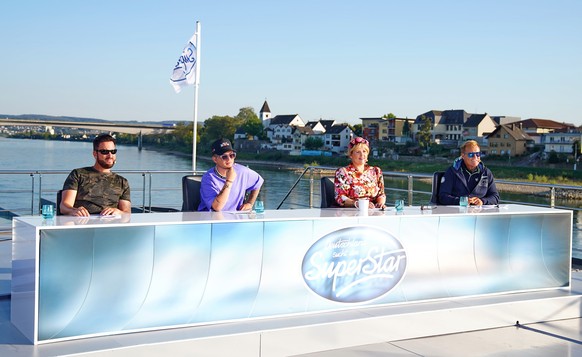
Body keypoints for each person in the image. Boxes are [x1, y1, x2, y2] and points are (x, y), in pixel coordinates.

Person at [60, 134, 131, 216]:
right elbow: (64, 206)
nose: (110, 155)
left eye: (113, 151)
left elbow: (127, 213)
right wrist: (73, 210)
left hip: (109, 224)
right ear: (95, 154)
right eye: (104, 152)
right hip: (82, 223)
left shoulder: (122, 182)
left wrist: (119, 212)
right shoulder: (78, 174)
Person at [199, 138, 264, 211]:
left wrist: (249, 203)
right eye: (224, 157)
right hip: (211, 218)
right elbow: (217, 207)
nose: (229, 159)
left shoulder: (242, 171)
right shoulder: (208, 178)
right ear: (215, 159)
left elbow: (258, 182)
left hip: (235, 218)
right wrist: (229, 181)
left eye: (232, 155)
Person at [439, 140, 499, 206]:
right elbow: (443, 197)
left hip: (479, 212)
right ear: (463, 155)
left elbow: (495, 197)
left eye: (478, 154)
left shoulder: (486, 173)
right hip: (457, 212)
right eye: (471, 155)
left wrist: (482, 201)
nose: (475, 157)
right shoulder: (452, 172)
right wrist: (462, 201)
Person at [334, 136, 386, 209]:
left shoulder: (376, 171)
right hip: (351, 212)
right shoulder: (343, 172)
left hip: (373, 211)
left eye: (364, 151)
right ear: (351, 155)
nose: (362, 155)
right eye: (358, 152)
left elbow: (381, 194)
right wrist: (357, 204)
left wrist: (380, 204)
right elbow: (340, 197)